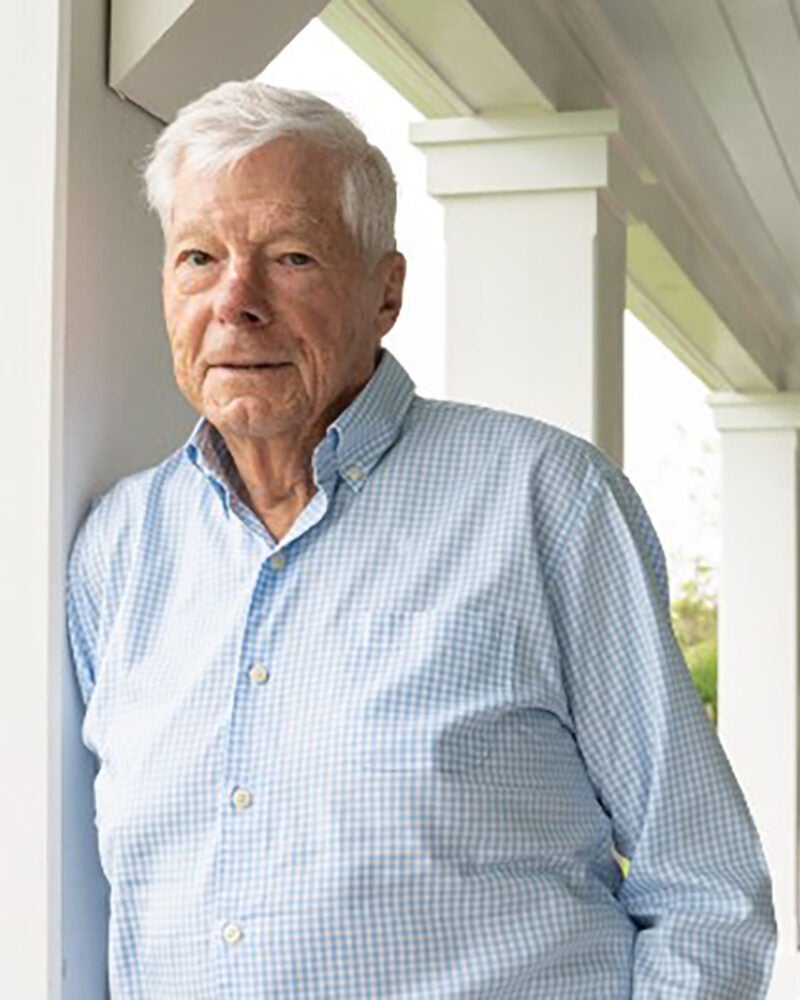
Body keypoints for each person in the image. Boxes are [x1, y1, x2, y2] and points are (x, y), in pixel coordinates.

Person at [67, 80, 776, 999]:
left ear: (386, 290)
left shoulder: (545, 502)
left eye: (290, 257)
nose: (235, 301)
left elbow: (707, 892)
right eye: (199, 257)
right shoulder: (116, 549)